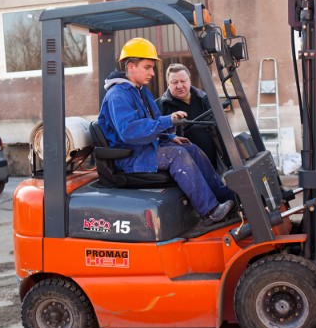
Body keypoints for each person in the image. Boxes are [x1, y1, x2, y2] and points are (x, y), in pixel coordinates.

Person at [97, 38, 235, 225]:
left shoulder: (140, 91)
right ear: (131, 67)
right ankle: (209, 211)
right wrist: (168, 120)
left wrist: (170, 135)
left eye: (152, 68)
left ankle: (227, 196)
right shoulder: (118, 95)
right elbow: (129, 132)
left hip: (144, 149)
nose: (152, 73)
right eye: (147, 67)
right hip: (130, 158)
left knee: (190, 148)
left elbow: (153, 121)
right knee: (176, 155)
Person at [157, 63, 223, 170]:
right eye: (174, 82)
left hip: (213, 164)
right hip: (183, 169)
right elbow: (157, 136)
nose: (179, 86)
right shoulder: (160, 106)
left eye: (183, 81)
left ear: (189, 81)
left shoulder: (205, 100)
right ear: (168, 84)